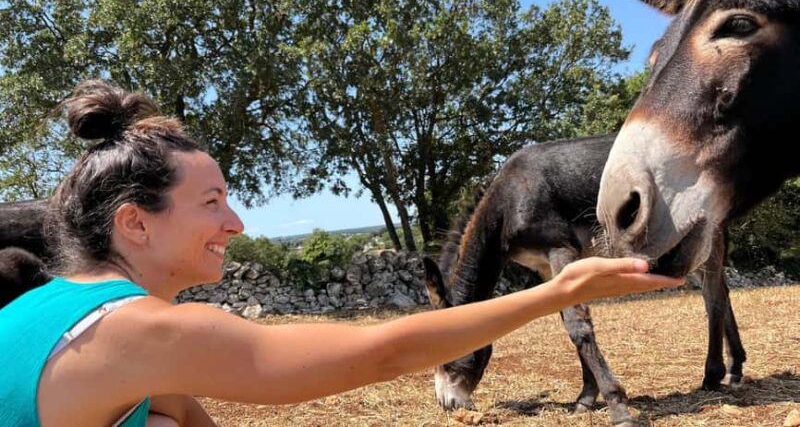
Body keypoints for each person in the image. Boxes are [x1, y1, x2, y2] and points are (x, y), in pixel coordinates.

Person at [0, 81, 682, 427]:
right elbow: (383, 352)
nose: (235, 223)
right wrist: (557, 293)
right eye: (211, 203)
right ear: (135, 224)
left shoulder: (43, 312)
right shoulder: (146, 332)